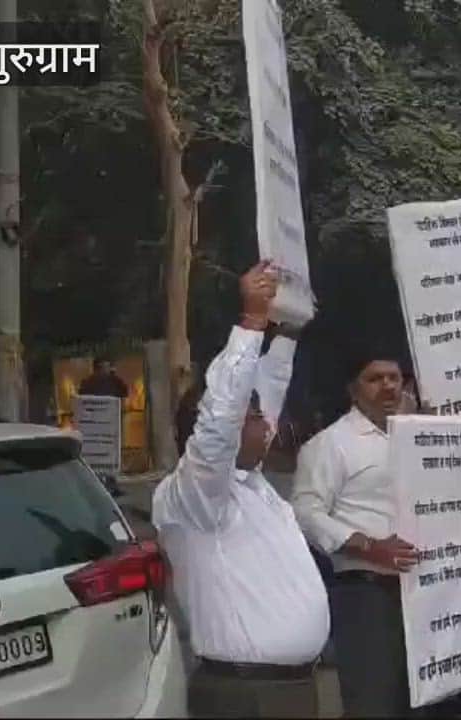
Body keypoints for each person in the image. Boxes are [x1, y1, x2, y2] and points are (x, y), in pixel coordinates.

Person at [153, 261, 329, 718]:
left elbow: (266, 387)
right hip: (247, 697)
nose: (269, 424)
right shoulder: (194, 497)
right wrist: (252, 323)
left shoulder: (251, 485)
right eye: (255, 418)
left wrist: (289, 327)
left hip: (290, 689)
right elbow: (221, 417)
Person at [291, 339, 430, 717]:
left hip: (426, 591)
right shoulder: (331, 445)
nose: (387, 386)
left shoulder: (419, 437)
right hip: (367, 595)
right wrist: (367, 545)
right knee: (374, 702)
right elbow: (306, 511)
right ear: (353, 389)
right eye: (375, 379)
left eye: (394, 377)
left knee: (424, 699)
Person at [79, 356, 130, 496]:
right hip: (97, 425)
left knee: (110, 455)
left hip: (108, 424)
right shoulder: (90, 382)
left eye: (108, 367)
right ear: (98, 368)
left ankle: (110, 483)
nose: (106, 370)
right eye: (104, 367)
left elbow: (124, 393)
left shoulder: (112, 381)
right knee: (100, 455)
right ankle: (102, 484)